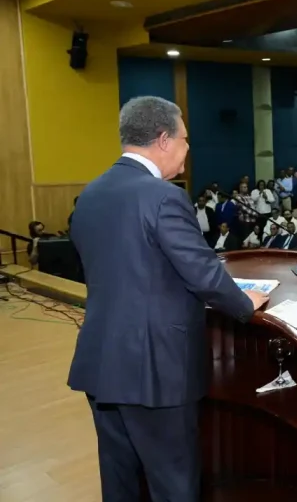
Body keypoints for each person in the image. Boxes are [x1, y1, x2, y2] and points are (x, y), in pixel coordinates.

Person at [67, 96, 268, 501]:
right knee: (173, 482)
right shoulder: (163, 197)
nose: (188, 148)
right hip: (154, 369)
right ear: (163, 140)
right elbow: (204, 274)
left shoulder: (91, 193)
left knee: (120, 479)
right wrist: (248, 302)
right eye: (185, 139)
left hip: (102, 360)